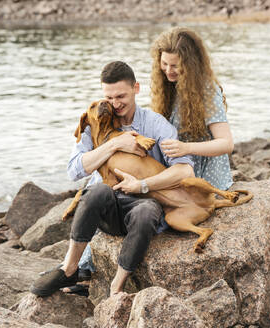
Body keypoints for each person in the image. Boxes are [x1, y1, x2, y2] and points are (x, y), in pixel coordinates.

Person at [30, 61, 194, 297]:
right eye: (109, 97)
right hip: (108, 209)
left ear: (136, 88)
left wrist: (142, 185)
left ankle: (116, 286)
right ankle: (69, 267)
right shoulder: (95, 123)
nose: (115, 104)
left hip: (142, 203)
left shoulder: (156, 124)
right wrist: (116, 143)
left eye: (121, 96)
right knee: (96, 191)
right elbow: (74, 170)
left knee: (147, 209)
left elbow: (184, 170)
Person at [150, 27, 234, 191]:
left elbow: (226, 144)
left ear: (190, 65)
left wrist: (186, 148)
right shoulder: (167, 87)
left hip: (205, 180)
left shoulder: (207, 91)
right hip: (176, 172)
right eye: (164, 63)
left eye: (175, 66)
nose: (168, 70)